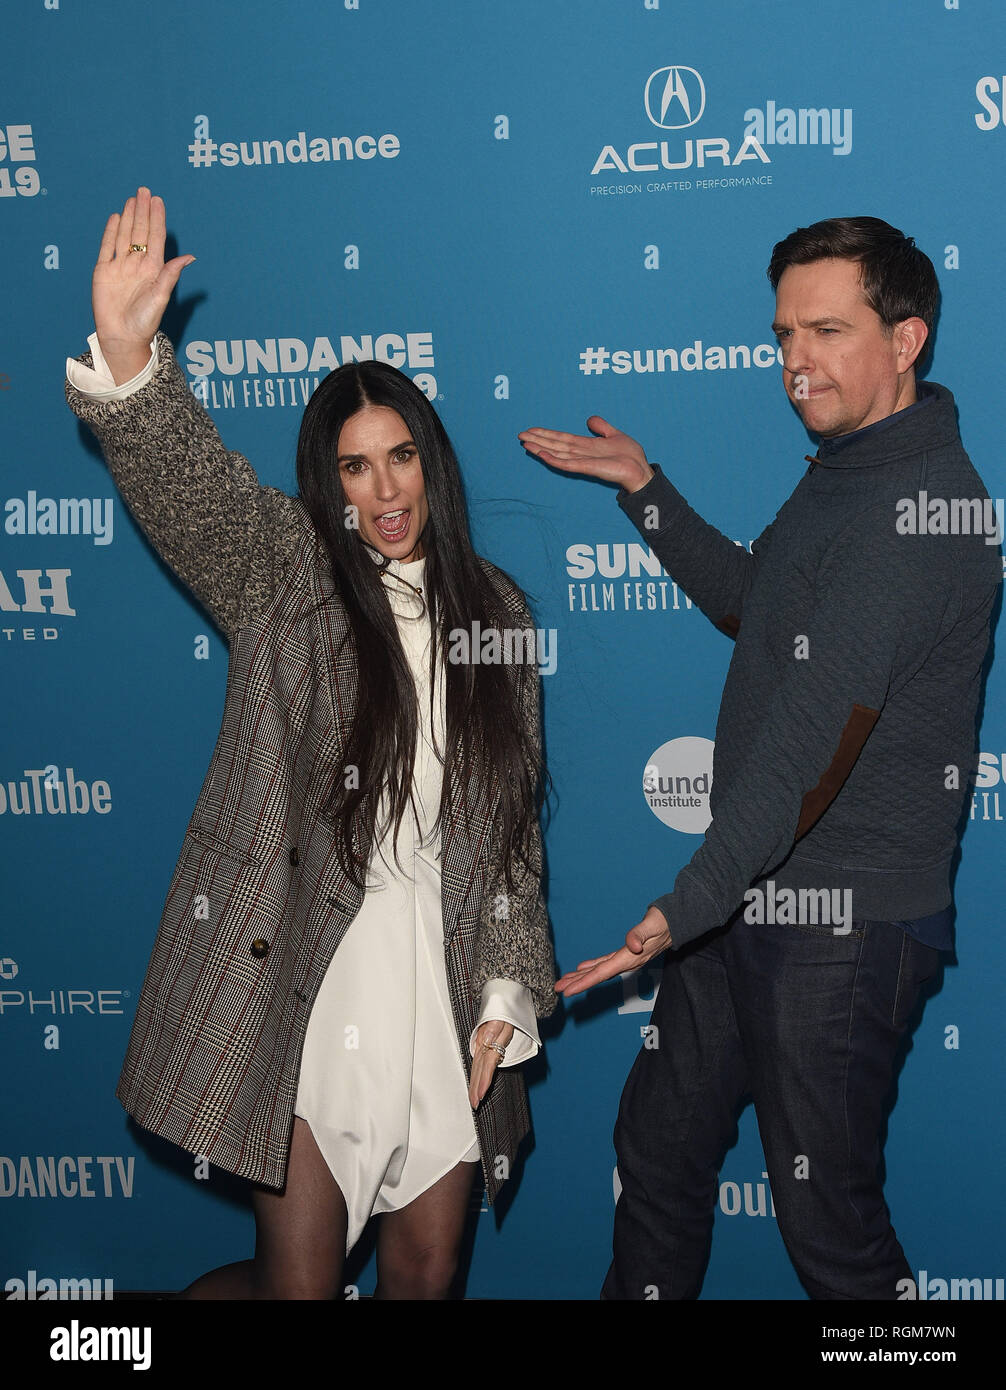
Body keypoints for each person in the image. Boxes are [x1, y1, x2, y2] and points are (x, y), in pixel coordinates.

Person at [65, 187, 556, 1300]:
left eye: (400, 458)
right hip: (313, 976)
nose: (383, 490)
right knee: (298, 1290)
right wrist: (135, 365)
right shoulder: (287, 575)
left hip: (437, 984)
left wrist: (503, 993)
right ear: (326, 484)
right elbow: (196, 496)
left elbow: (508, 835)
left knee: (423, 1280)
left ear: (431, 460)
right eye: (352, 467)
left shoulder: (500, 614)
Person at [520, 217, 1000, 1300]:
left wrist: (681, 905)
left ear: (907, 336)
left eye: (827, 330)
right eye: (784, 331)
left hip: (840, 927)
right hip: (749, 894)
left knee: (829, 1228)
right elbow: (759, 606)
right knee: (657, 1153)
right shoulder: (853, 466)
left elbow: (809, 749)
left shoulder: (918, 509)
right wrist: (645, 489)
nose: (795, 359)